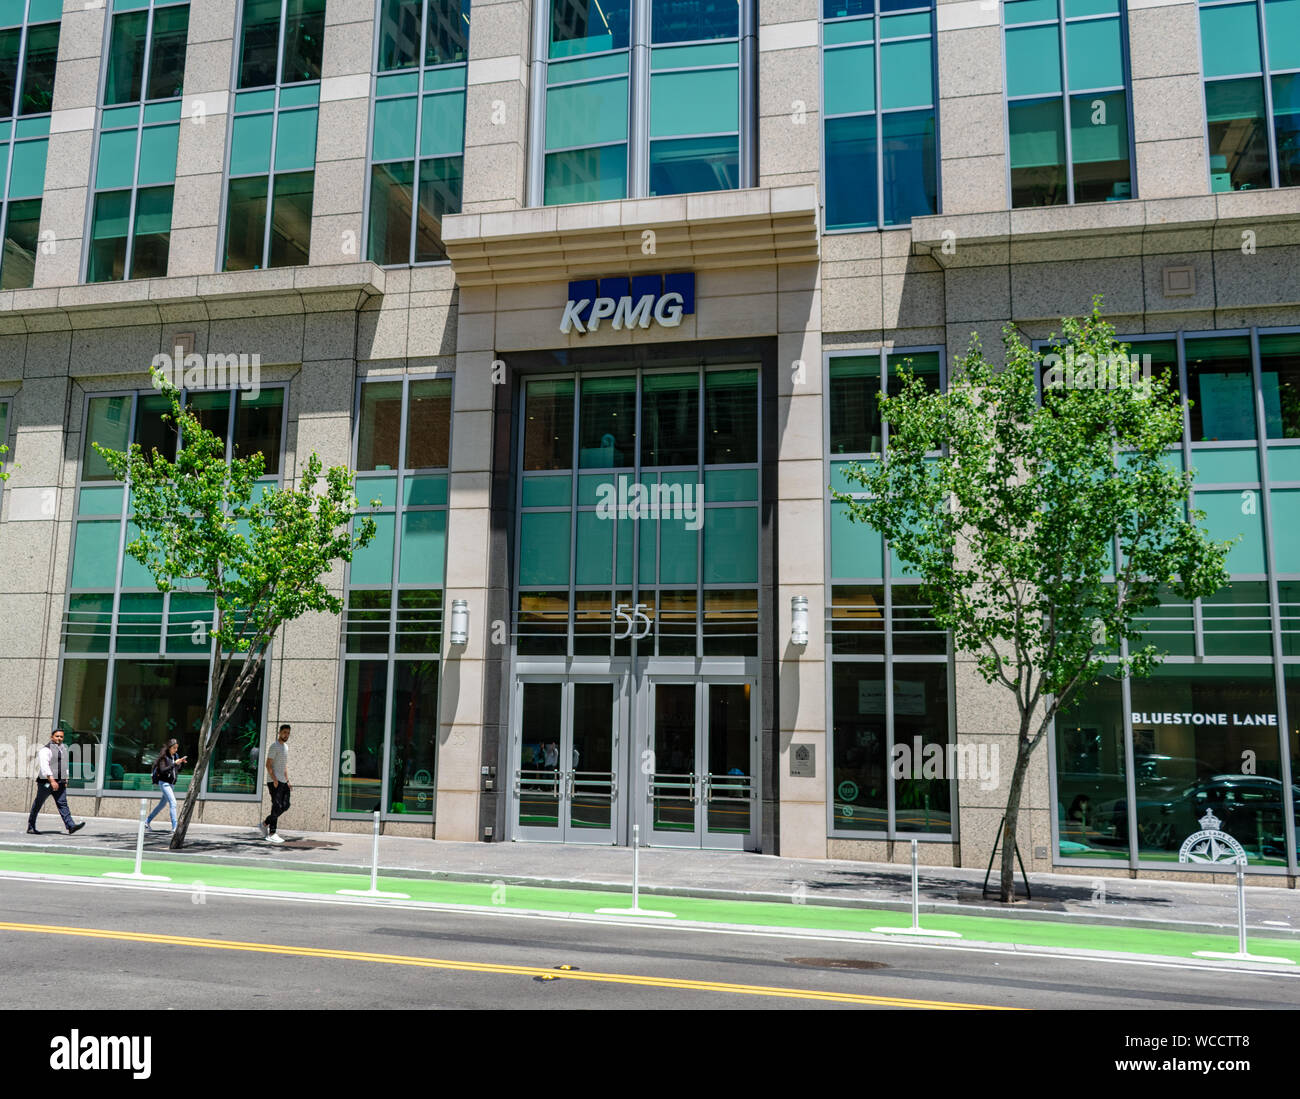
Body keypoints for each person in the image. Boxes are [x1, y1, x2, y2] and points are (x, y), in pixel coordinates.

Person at [27, 727, 86, 835]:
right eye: (57, 736)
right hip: (46, 782)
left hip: (60, 782)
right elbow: (45, 767)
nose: (59, 738)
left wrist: (66, 777)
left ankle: (71, 826)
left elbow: (64, 764)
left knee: (63, 804)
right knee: (38, 804)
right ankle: (31, 826)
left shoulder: (63, 748)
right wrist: (52, 781)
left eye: (61, 736)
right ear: (52, 737)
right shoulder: (46, 750)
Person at [146, 739, 187, 832]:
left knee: (162, 804)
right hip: (164, 783)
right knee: (173, 803)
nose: (176, 750)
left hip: (171, 784)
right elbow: (163, 770)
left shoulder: (175, 756)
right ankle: (175, 827)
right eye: (174, 748)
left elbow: (177, 770)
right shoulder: (164, 758)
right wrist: (174, 764)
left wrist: (181, 763)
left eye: (177, 748)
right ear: (169, 748)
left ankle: (147, 821)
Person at [261, 724, 291, 844]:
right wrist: (274, 779)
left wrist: (288, 780)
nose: (286, 735)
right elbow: (268, 764)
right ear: (279, 733)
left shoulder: (286, 747)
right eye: (284, 732)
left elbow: (284, 765)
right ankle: (272, 833)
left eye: (288, 733)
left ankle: (265, 823)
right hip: (274, 781)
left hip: (283, 781)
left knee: (286, 805)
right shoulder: (274, 746)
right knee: (276, 805)